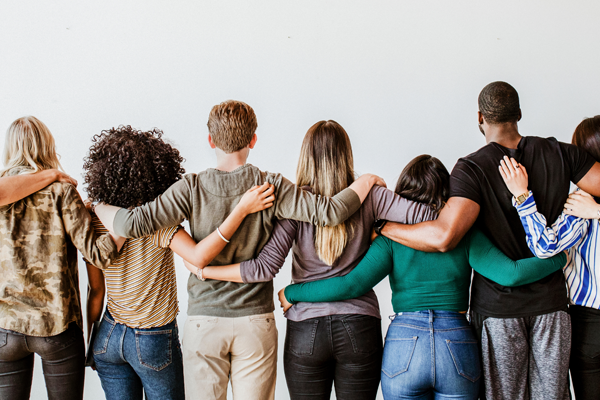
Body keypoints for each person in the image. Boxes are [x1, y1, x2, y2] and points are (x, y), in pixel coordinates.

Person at [93, 102, 385, 400]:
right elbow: (330, 212)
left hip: (204, 321)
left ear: (211, 140)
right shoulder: (271, 186)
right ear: (253, 140)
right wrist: (366, 181)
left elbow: (130, 224)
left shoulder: (190, 188)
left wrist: (98, 205)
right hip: (255, 321)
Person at [275, 154, 566, 400]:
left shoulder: (390, 238)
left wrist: (292, 293)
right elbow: (511, 274)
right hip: (456, 342)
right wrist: (561, 257)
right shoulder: (462, 235)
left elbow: (350, 285)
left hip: (405, 345)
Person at [378, 82, 600, 399]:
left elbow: (444, 237)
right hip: (551, 308)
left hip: (498, 312)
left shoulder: (471, 168)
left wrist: (385, 228)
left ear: (480, 118)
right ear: (519, 113)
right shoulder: (561, 153)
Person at [195, 124, 435, 400]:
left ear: (306, 156)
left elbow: (263, 267)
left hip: (306, 329)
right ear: (346, 155)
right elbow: (428, 216)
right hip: (359, 326)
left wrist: (206, 270)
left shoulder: (296, 203)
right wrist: (382, 227)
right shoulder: (372, 195)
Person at [83, 125, 275, 400]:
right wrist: (240, 210)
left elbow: (96, 290)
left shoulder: (94, 221)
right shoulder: (160, 223)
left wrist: (92, 342)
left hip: (108, 336)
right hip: (152, 338)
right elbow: (198, 256)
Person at [0, 116, 121, 400]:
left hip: (6, 327)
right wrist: (127, 223)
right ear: (47, 145)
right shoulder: (62, 191)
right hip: (57, 326)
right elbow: (98, 255)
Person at [498, 115, 600, 400]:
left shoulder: (580, 204)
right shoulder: (583, 204)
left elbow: (544, 246)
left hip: (590, 324)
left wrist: (522, 196)